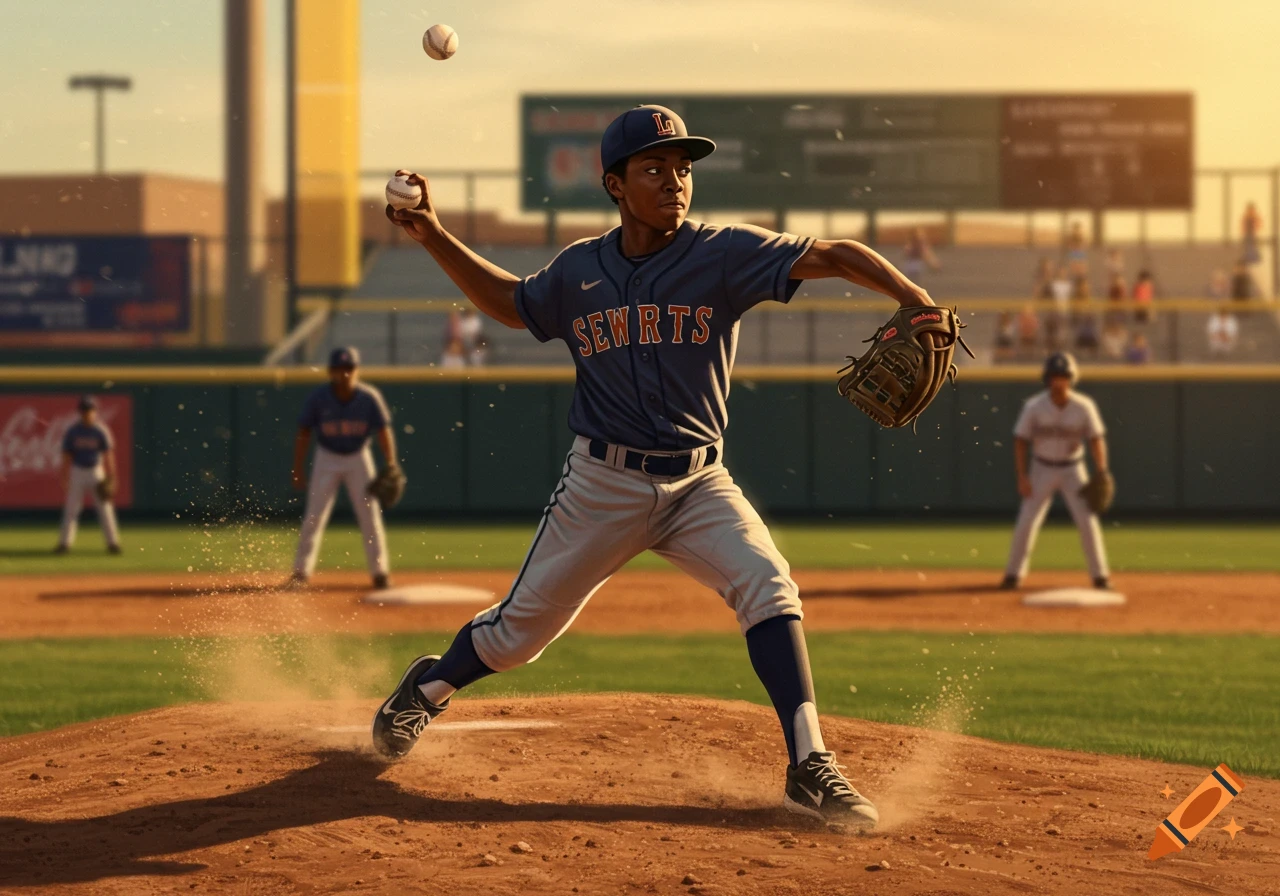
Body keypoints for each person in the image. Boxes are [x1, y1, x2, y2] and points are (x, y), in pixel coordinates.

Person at [374, 103, 944, 826]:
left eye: (683, 168)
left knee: (768, 584)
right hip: (602, 484)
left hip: (699, 480)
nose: (675, 180)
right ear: (615, 185)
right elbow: (513, 305)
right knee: (519, 636)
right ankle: (424, 691)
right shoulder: (580, 270)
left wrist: (915, 296)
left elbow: (829, 253)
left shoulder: (723, 253)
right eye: (654, 168)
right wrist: (432, 233)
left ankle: (809, 762)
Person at [289, 347, 400, 590]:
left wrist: (391, 463)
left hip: (359, 456)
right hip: (327, 456)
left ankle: (379, 572)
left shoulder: (368, 397)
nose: (345, 374)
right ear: (331, 372)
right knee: (314, 516)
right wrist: (298, 467)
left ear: (357, 370)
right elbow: (304, 432)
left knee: (369, 516)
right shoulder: (319, 398)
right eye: (340, 369)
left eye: (349, 369)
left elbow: (383, 431)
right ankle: (300, 573)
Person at [1001, 353, 1110, 590]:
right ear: (1047, 379)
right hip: (1041, 468)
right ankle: (1013, 574)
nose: (1059, 381)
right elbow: (1020, 440)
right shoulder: (1034, 406)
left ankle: (1100, 576)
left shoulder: (1084, 406)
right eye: (1055, 377)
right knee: (1027, 521)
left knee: (1088, 521)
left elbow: (1096, 439)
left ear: (1071, 379)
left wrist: (1101, 471)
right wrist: (1022, 476)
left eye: (1064, 377)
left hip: (1073, 469)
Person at [55, 395, 121, 554]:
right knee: (71, 509)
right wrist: (64, 476)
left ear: (95, 411)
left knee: (105, 508)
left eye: (90, 410)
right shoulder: (73, 431)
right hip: (77, 471)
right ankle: (65, 544)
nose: (87, 413)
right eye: (84, 410)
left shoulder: (100, 430)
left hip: (96, 471)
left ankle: (113, 543)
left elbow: (108, 454)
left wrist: (112, 476)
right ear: (80, 412)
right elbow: (66, 455)